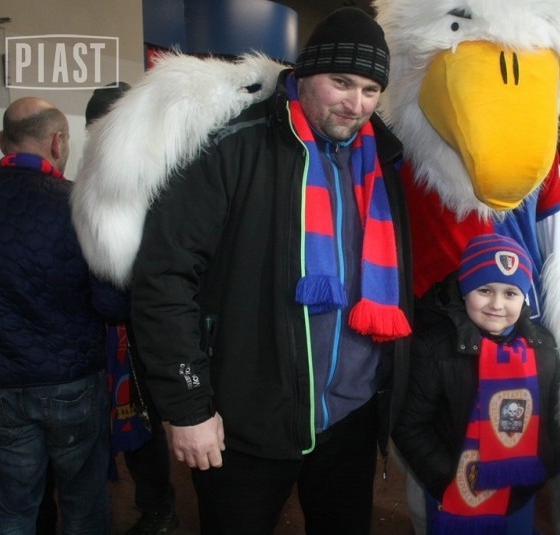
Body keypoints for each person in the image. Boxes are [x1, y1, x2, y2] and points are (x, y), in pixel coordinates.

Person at [96, 8, 411, 534]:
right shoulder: (234, 144)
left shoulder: (384, 160)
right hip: (246, 421)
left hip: (350, 418)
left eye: (370, 89)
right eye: (341, 82)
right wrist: (188, 406)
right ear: (304, 74)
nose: (355, 104)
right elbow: (165, 277)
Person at [0, 97, 123, 533]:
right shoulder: (80, 206)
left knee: (11, 511)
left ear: (4, 141)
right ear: (58, 142)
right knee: (83, 506)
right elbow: (113, 305)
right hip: (72, 383)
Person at [393, 234, 560, 534]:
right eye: (485, 290)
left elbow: (555, 415)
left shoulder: (543, 348)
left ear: (524, 297)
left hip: (519, 492)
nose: (497, 304)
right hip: (453, 491)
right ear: (465, 290)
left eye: (510, 293)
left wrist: (548, 461)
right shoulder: (434, 349)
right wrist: (447, 478)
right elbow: (410, 425)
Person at [84, 82, 179, 535]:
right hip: (121, 328)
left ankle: (160, 509)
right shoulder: (143, 176)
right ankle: (157, 507)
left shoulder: (145, 183)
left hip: (136, 328)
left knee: (143, 421)